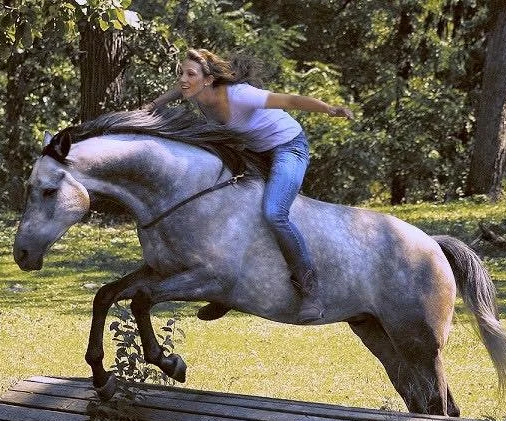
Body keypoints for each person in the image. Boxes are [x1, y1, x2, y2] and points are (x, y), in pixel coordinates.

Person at [144, 48, 352, 324]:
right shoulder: (197, 95)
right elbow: (176, 92)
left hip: (288, 147)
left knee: (274, 214)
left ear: (208, 79)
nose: (183, 79)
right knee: (224, 207)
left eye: (189, 74)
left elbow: (289, 100)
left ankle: (311, 291)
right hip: (253, 152)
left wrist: (329, 109)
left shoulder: (240, 95)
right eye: (181, 73)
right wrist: (151, 106)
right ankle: (225, 291)